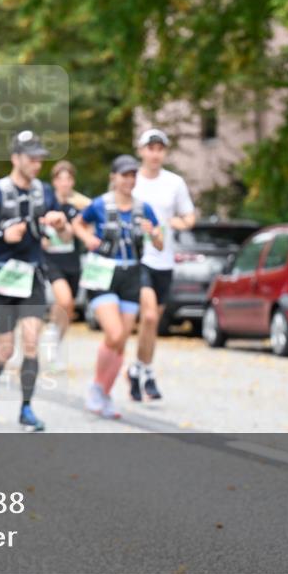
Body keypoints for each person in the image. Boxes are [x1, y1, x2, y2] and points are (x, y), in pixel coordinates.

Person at [0, 129, 71, 432]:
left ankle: (26, 409)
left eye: (40, 158)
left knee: (30, 342)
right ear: (16, 158)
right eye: (32, 158)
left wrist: (60, 223)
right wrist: (1, 234)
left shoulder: (45, 192)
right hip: (3, 276)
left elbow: (64, 235)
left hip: (32, 275)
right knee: (6, 349)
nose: (37, 164)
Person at [73, 156, 162, 419]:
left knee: (122, 341)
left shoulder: (144, 208)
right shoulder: (100, 204)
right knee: (114, 334)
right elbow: (78, 223)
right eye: (124, 175)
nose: (129, 180)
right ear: (114, 177)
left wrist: (154, 234)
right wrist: (88, 238)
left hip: (131, 273)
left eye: (133, 175)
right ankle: (96, 387)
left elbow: (159, 243)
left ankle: (104, 392)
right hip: (103, 272)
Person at [128, 128, 196, 401]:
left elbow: (188, 217)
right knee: (150, 317)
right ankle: (147, 371)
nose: (155, 154)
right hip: (139, 258)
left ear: (164, 152)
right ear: (141, 151)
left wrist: (169, 223)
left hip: (164, 259)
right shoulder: (131, 182)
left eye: (160, 149)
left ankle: (139, 369)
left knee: (152, 324)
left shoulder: (174, 183)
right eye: (150, 148)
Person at [41, 160, 91, 371]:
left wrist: (63, 227)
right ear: (54, 182)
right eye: (60, 179)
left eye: (68, 179)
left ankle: (56, 340)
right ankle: (51, 334)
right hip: (51, 260)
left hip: (72, 261)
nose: (64, 183)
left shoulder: (76, 207)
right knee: (65, 299)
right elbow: (40, 236)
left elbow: (74, 233)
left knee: (68, 308)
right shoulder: (45, 203)